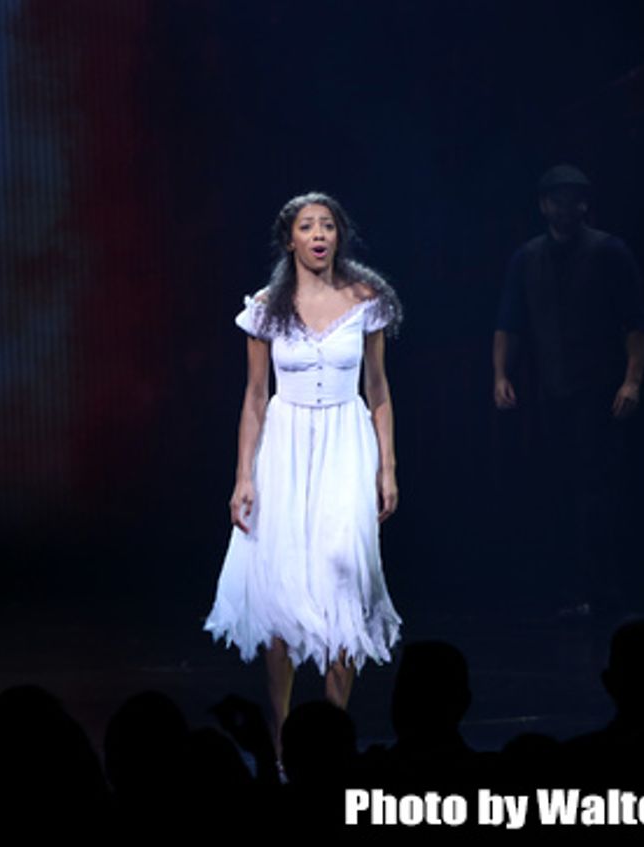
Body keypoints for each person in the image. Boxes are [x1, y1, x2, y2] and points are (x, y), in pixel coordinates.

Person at [205, 192, 403, 750]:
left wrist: (387, 466)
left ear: (339, 236)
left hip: (345, 441)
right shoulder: (267, 306)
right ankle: (282, 729)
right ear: (288, 238)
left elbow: (379, 389)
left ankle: (332, 728)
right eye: (307, 226)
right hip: (285, 446)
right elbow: (253, 398)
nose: (319, 235)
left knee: (344, 574)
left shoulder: (367, 300)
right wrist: (244, 476)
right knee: (283, 585)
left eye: (328, 226)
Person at [492, 164, 644, 619]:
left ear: (585, 204)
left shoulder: (609, 251)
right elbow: (509, 322)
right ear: (544, 206)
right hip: (551, 391)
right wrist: (501, 375)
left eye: (573, 199)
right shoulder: (528, 257)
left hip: (600, 390)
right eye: (556, 199)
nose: (565, 207)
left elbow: (637, 322)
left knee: (599, 490)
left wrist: (632, 380)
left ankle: (604, 587)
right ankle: (570, 589)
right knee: (559, 489)